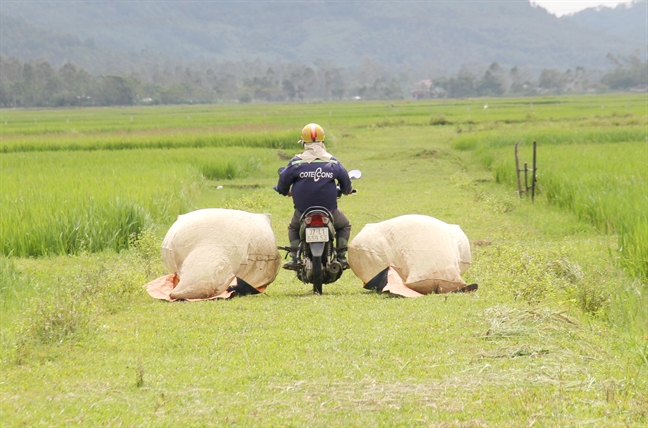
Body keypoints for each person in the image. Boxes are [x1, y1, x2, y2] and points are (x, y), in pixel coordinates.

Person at [274, 123, 353, 270]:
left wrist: (284, 191)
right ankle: (341, 257)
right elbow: (346, 184)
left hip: (302, 212)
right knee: (343, 226)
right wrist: (348, 190)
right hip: (330, 211)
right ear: (322, 141)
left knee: (293, 228)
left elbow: (283, 183)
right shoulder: (333, 162)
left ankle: (295, 257)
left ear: (304, 142)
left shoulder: (296, 162)